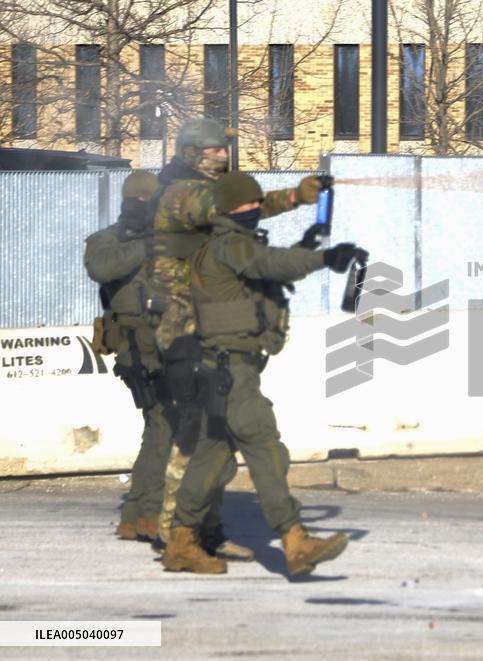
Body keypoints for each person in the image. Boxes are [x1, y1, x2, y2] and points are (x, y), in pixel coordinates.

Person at [160, 172, 366, 575]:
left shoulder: (231, 245)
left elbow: (266, 274)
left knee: (211, 456)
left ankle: (181, 542)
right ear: (229, 209)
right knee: (265, 448)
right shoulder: (229, 245)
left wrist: (307, 249)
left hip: (225, 367)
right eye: (246, 204)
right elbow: (269, 264)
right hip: (230, 371)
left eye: (258, 203)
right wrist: (323, 257)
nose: (255, 209)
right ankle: (294, 539)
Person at [147, 118, 325, 558]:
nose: (224, 155)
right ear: (191, 154)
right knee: (197, 430)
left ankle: (202, 530)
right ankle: (176, 531)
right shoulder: (182, 192)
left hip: (208, 322)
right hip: (185, 326)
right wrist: (294, 198)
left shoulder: (209, 191)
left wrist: (299, 199)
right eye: (214, 150)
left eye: (224, 149)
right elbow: (233, 206)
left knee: (216, 431)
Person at [84, 171, 169, 542]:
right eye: (138, 200)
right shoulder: (104, 241)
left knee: (162, 430)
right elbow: (101, 269)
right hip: (138, 352)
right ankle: (146, 514)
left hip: (172, 347)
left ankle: (138, 516)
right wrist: (147, 245)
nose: (143, 206)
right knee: (163, 429)